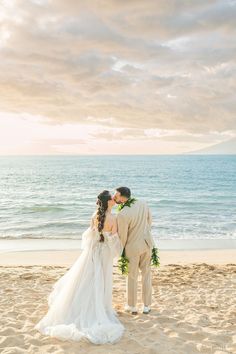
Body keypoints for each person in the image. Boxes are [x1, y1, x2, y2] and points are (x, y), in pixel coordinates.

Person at [34, 190, 124, 344]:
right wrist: (119, 251)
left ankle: (80, 305)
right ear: (108, 202)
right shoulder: (113, 218)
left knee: (86, 279)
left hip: (91, 252)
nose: (114, 200)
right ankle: (100, 307)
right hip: (103, 254)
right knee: (100, 280)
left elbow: (90, 235)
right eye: (112, 199)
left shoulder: (94, 215)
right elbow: (113, 241)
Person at [114, 186, 154, 315]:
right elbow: (150, 221)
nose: (115, 197)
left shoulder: (122, 214)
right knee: (146, 275)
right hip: (147, 244)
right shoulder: (143, 203)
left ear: (122, 196)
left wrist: (121, 252)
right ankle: (147, 306)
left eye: (116, 195)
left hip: (132, 248)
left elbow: (123, 237)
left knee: (132, 277)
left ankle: (132, 306)